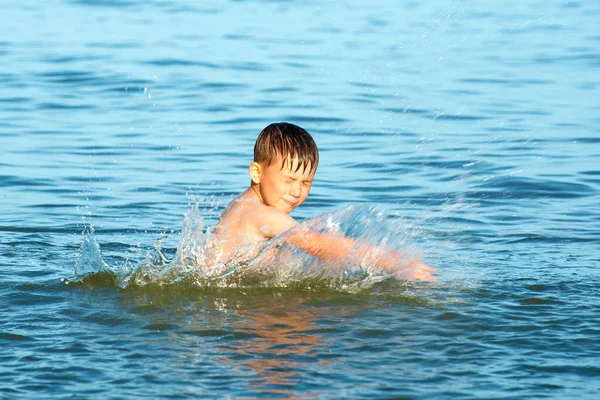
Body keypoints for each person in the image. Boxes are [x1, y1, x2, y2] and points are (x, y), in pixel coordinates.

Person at [203, 122, 436, 282]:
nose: (296, 191)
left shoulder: (242, 203)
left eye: (306, 183)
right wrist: (391, 261)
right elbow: (316, 243)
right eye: (289, 179)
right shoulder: (264, 215)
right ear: (256, 172)